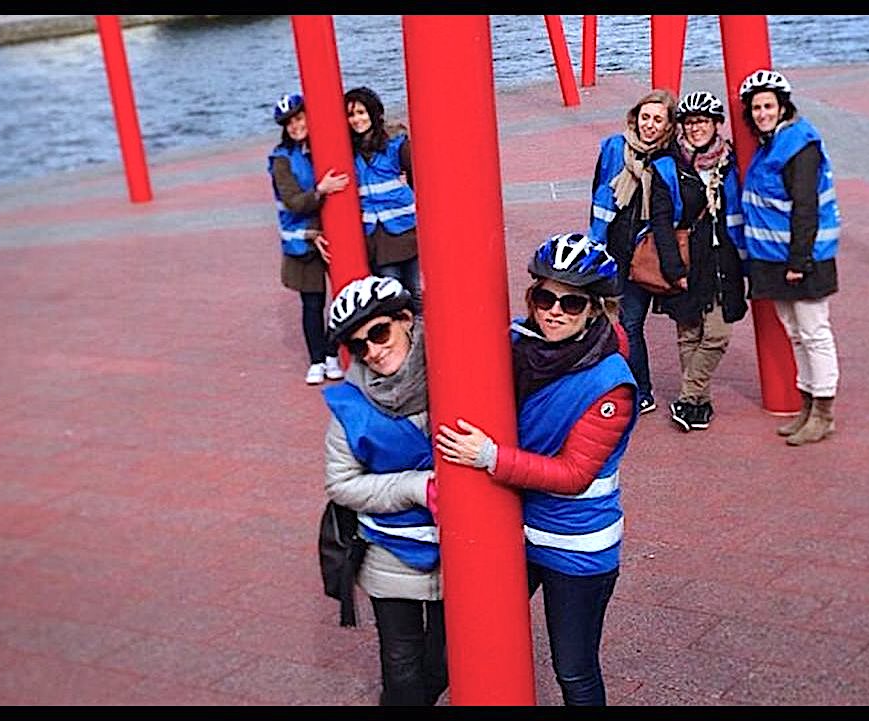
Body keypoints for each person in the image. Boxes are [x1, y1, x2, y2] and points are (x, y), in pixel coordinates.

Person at [435, 233, 637, 706]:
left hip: (576, 544)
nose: (554, 311)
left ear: (594, 310)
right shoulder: (519, 342)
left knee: (573, 669)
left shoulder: (611, 383)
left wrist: (491, 458)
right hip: (514, 526)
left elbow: (574, 474)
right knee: (464, 639)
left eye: (571, 303)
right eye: (545, 297)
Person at [322, 275, 446, 705]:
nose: (373, 351)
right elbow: (341, 482)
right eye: (359, 346)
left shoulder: (454, 368)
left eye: (379, 333)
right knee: (401, 662)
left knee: (448, 657)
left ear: (406, 320)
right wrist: (414, 486)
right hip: (390, 552)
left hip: (464, 547)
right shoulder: (349, 408)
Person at [738, 69, 843, 446]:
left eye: (768, 105)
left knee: (814, 332)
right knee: (796, 334)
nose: (762, 113)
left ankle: (824, 412)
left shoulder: (799, 143)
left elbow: (805, 206)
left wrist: (799, 261)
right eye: (756, 108)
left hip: (801, 259)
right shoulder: (772, 144)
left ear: (783, 106)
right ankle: (808, 406)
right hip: (772, 258)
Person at [646, 90, 749, 432]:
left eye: (703, 122)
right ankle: (699, 405)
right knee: (689, 333)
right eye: (689, 123)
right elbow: (661, 223)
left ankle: (688, 397)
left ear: (717, 124)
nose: (696, 128)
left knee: (717, 334)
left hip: (724, 260)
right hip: (688, 260)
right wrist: (674, 269)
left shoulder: (732, 161)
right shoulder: (668, 167)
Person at [588, 88, 678, 416]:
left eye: (657, 119)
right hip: (614, 251)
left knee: (631, 322)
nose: (649, 125)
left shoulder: (670, 159)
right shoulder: (614, 147)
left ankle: (641, 389)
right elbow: (598, 193)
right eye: (645, 117)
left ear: (668, 125)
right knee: (618, 322)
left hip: (646, 253)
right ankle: (626, 385)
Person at [267, 91, 351, 385]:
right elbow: (293, 202)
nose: (295, 126)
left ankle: (331, 352)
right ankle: (317, 359)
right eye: (289, 122)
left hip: (329, 234)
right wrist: (321, 190)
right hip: (300, 240)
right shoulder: (281, 159)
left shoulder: (323, 147)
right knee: (312, 303)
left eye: (299, 118)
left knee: (343, 297)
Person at [345, 86, 422, 308]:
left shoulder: (395, 143)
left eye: (361, 112)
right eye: (351, 114)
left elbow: (418, 176)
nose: (357, 119)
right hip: (376, 235)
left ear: (373, 112)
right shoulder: (347, 150)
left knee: (417, 290)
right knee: (392, 292)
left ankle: (422, 339)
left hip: (406, 227)